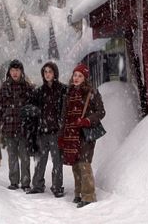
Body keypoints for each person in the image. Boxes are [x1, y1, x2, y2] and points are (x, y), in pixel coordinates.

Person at [58, 63, 105, 208]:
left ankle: (89, 196)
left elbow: (101, 112)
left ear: (85, 78)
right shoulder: (68, 93)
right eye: (75, 75)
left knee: (84, 164)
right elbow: (64, 116)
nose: (76, 78)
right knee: (76, 165)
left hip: (85, 133)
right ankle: (78, 193)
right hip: (71, 134)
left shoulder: (92, 93)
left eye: (80, 76)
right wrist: (61, 135)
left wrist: (87, 120)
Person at [27, 62, 67, 197]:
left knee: (57, 161)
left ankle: (57, 187)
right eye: (45, 72)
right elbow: (32, 109)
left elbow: (66, 109)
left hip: (56, 131)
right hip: (42, 131)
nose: (47, 74)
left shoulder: (62, 90)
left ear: (55, 73)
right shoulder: (39, 92)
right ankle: (37, 185)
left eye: (50, 71)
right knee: (40, 160)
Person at [0, 59, 34, 191]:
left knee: (25, 157)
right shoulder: (3, 89)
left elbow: (33, 109)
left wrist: (32, 125)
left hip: (24, 129)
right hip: (9, 128)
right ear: (9, 72)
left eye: (17, 70)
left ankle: (26, 182)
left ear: (21, 72)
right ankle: (14, 181)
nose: (15, 73)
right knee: (12, 156)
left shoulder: (28, 88)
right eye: (12, 70)